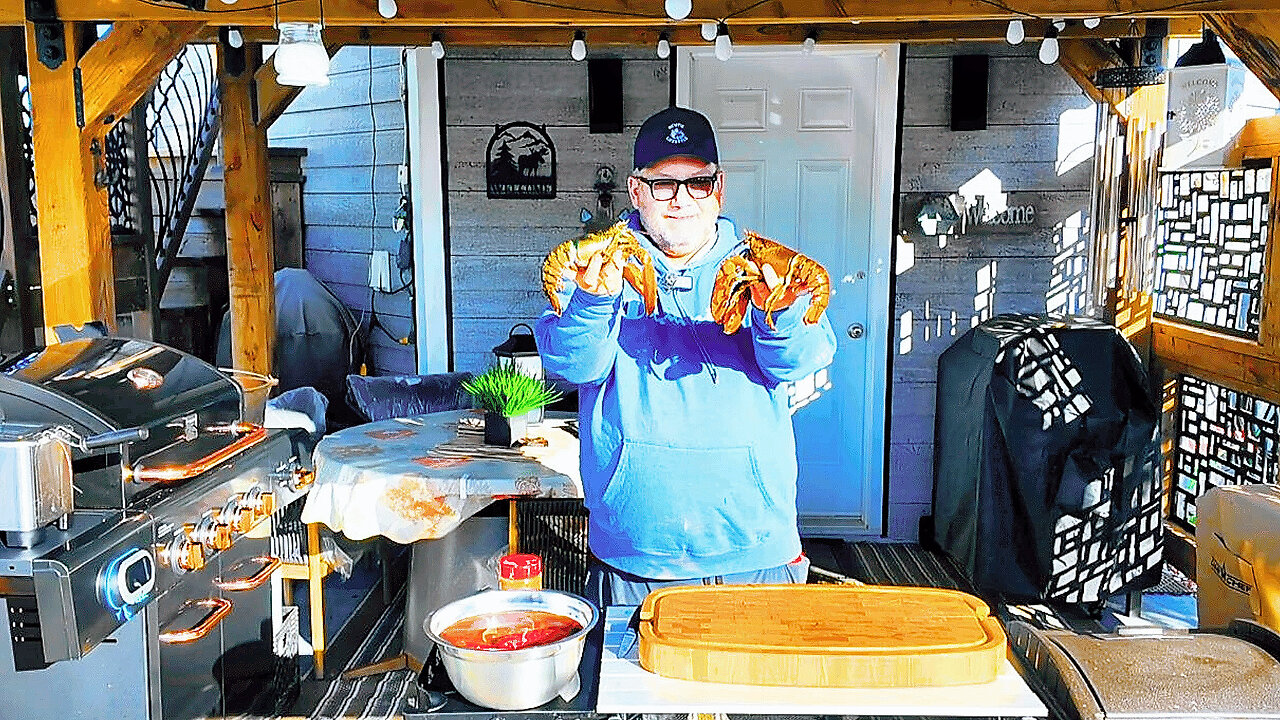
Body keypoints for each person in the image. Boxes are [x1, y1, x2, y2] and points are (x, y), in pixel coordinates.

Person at [535, 106, 837, 607]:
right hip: (636, 555)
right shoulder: (593, 264)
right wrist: (593, 300)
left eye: (697, 182)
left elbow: (799, 362)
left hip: (756, 550)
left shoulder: (766, 266)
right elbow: (572, 367)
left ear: (718, 189)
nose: (681, 200)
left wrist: (779, 311)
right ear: (636, 190)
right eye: (663, 184)